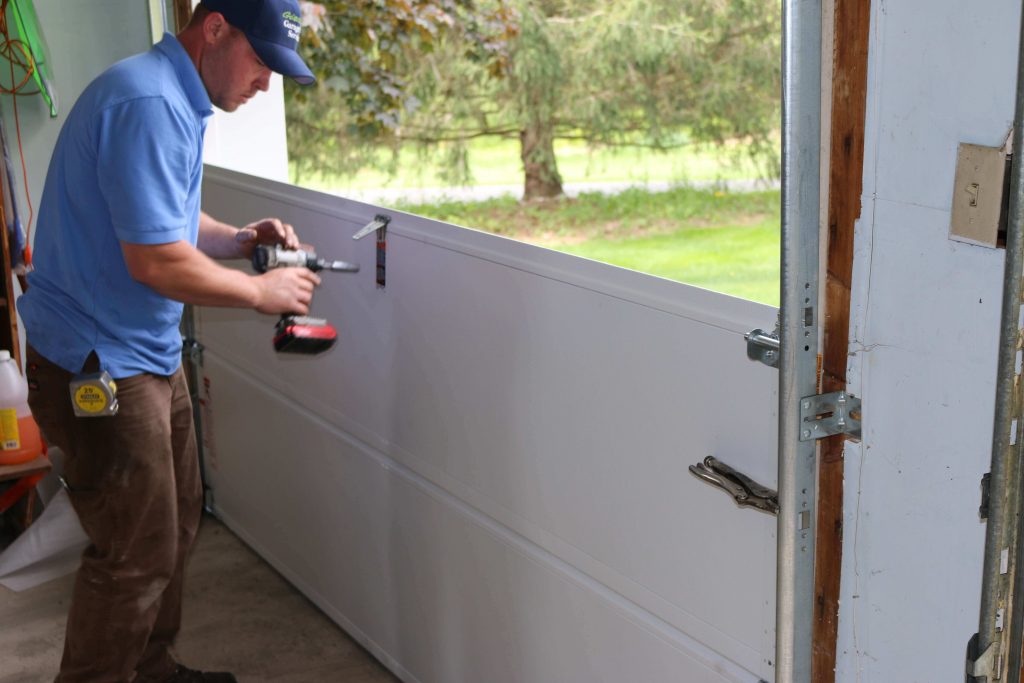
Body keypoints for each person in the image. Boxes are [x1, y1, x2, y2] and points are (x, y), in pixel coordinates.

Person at [16, 1, 320, 681]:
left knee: (175, 523)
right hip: (97, 364)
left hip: (145, 351)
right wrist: (259, 292)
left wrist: (239, 240)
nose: (265, 83)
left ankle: (150, 668)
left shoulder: (174, 96)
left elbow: (166, 218)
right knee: (135, 554)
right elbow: (153, 259)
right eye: (260, 61)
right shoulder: (147, 102)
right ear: (215, 28)